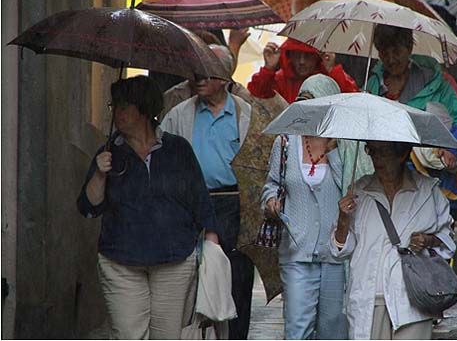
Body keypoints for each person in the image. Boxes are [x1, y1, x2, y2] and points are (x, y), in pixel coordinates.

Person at [77, 76, 219, 339]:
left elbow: (200, 199)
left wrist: (212, 243)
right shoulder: (110, 152)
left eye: (122, 106)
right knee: (129, 335)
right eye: (114, 106)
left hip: (174, 261)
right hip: (121, 261)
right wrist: (99, 173)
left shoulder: (177, 149)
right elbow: (89, 207)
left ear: (143, 110)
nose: (116, 113)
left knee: (167, 336)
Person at [160, 46, 255, 340]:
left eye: (206, 71)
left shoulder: (245, 112)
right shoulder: (179, 114)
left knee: (237, 278)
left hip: (234, 204)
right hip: (193, 204)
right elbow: (161, 153)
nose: (198, 77)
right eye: (195, 71)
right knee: (194, 280)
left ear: (226, 76)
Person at [330, 141, 456, 339]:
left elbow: (447, 239)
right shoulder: (358, 192)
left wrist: (428, 241)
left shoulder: (427, 191)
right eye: (372, 151)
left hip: (413, 298)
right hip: (371, 297)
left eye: (384, 152)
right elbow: (339, 251)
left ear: (403, 153)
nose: (377, 159)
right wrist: (343, 220)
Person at [261, 74, 348, 340]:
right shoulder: (285, 142)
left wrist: (333, 151)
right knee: (297, 329)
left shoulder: (346, 142)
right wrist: (270, 201)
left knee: (333, 329)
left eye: (314, 102)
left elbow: (351, 186)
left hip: (336, 253)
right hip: (296, 250)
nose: (307, 109)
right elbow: (272, 183)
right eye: (302, 102)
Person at [247, 38, 358, 103]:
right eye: (297, 54)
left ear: (317, 57)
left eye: (308, 55)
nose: (302, 61)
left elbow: (351, 100)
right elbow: (257, 96)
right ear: (290, 55)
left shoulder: (328, 76)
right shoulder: (281, 78)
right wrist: (268, 69)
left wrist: (332, 69)